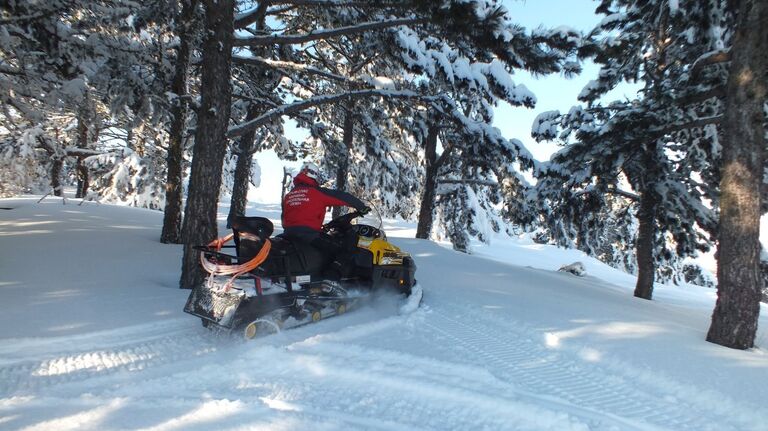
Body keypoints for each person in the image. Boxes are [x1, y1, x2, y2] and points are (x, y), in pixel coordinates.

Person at [281, 162, 370, 279]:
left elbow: (284, 217)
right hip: (309, 235)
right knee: (345, 249)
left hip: (287, 235)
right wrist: (361, 207)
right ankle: (331, 279)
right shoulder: (317, 192)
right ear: (314, 175)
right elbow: (342, 196)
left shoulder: (289, 195)